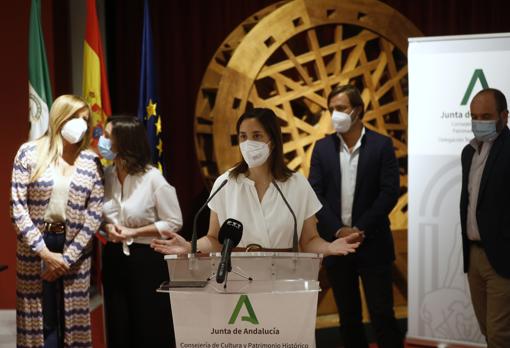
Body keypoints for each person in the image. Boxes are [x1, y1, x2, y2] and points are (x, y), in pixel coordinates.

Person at [151, 107, 360, 257]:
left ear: (273, 140)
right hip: (237, 275)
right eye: (243, 136)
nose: (248, 143)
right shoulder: (225, 183)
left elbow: (309, 240)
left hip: (284, 275)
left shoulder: (297, 184)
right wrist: (190, 246)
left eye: (257, 135)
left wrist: (330, 247)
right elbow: (214, 240)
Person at [309, 84, 403, 348]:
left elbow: (389, 191)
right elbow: (314, 193)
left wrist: (360, 228)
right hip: (338, 247)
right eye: (331, 110)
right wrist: (338, 230)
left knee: (382, 315)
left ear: (358, 109)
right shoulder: (322, 148)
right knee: (348, 318)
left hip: (373, 242)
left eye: (340, 108)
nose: (335, 114)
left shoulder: (382, 145)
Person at [10, 94, 104, 347]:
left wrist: (67, 257)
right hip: (36, 247)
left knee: (73, 320)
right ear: (59, 118)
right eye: (75, 118)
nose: (81, 125)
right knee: (40, 319)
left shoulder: (90, 161)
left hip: (74, 249)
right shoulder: (29, 153)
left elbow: (94, 213)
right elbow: (18, 207)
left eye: (85, 119)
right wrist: (45, 253)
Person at [99, 116, 183, 348]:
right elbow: (98, 215)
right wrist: (107, 228)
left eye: (107, 136)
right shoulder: (105, 175)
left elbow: (174, 221)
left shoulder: (152, 177)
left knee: (148, 327)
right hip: (114, 257)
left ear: (124, 142)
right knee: (118, 324)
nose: (101, 141)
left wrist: (133, 233)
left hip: (146, 260)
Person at [460, 88, 510, 347]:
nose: (479, 123)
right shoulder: (468, 152)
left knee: (500, 334)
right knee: (487, 330)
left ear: (504, 116)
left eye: (486, 116)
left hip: (502, 258)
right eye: (474, 117)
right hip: (475, 255)